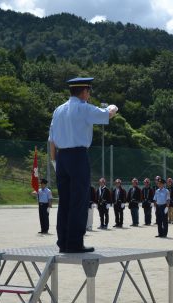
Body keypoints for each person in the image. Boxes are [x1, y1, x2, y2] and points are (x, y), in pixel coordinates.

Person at [48, 77, 117, 252]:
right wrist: (113, 107)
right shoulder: (84, 108)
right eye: (89, 91)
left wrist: (54, 161)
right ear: (84, 91)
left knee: (64, 201)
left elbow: (51, 140)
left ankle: (63, 242)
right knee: (79, 200)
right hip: (78, 156)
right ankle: (75, 243)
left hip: (61, 158)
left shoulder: (58, 110)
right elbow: (107, 114)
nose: (89, 95)